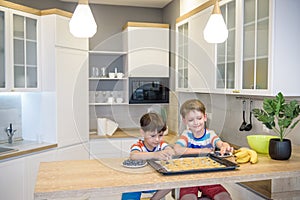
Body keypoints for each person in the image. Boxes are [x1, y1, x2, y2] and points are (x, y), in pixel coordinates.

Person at [174, 99, 233, 200]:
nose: (196, 123)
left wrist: (225, 146)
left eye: (199, 118)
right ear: (184, 121)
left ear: (205, 117)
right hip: (189, 178)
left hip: (209, 178)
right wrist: (201, 151)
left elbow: (220, 143)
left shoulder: (210, 135)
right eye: (191, 120)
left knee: (224, 197)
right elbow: (177, 149)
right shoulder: (186, 135)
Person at [121, 112, 174, 200]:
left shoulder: (161, 145)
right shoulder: (139, 146)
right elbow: (133, 155)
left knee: (173, 182)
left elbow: (170, 151)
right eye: (153, 136)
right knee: (129, 188)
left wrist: (168, 152)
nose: (157, 139)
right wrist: (155, 154)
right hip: (138, 183)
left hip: (157, 182)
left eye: (160, 135)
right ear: (143, 133)